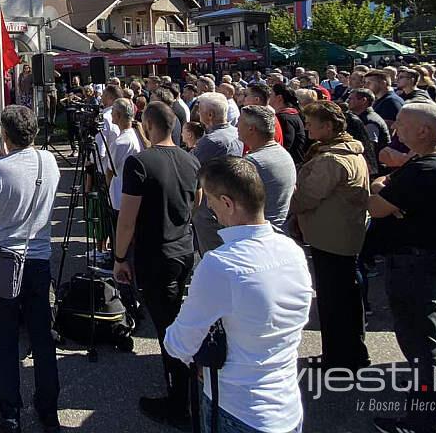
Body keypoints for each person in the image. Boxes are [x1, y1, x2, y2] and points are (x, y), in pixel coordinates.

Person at [163, 157, 313, 433]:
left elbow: (180, 343)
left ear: (228, 203)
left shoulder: (220, 264)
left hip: (238, 408)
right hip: (287, 405)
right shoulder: (291, 250)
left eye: (210, 199)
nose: (208, 207)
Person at [368, 103, 436, 433]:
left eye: (401, 124)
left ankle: (421, 420)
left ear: (423, 130)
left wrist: (381, 191)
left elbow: (378, 206)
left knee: (421, 348)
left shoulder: (425, 170)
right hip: (434, 260)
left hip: (417, 265)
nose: (396, 130)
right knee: (435, 339)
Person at [0, 106, 61, 433]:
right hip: (38, 259)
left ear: (5, 135)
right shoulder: (49, 161)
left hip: (4, 258)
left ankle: (10, 410)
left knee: (6, 338)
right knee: (41, 337)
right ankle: (48, 407)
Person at [113, 102, 201, 429]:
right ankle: (183, 389)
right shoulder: (191, 159)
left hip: (156, 254)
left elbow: (127, 220)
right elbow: (197, 203)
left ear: (148, 126)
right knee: (174, 318)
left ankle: (180, 402)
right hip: (183, 249)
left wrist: (120, 258)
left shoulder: (139, 163)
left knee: (169, 329)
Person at [289, 101, 371, 371]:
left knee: (335, 302)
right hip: (343, 234)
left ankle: (339, 359)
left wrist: (292, 204)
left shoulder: (331, 159)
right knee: (346, 298)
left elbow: (307, 196)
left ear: (327, 126)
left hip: (333, 237)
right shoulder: (349, 151)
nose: (307, 127)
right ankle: (348, 354)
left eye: (311, 123)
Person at [191, 92, 243, 252]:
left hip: (210, 209)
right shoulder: (235, 132)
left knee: (212, 253)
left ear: (210, 115)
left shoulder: (211, 141)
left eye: (200, 110)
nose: (198, 113)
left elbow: (191, 167)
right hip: (229, 202)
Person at [238, 105, 296, 229]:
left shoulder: (252, 162)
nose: (236, 127)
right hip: (278, 230)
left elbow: (239, 204)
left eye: (239, 122)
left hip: (258, 233)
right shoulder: (282, 153)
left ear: (251, 129)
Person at [107, 98, 146, 218]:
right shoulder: (137, 134)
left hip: (120, 198)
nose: (111, 113)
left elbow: (110, 171)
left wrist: (107, 190)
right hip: (133, 196)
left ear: (118, 115)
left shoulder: (120, 142)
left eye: (112, 111)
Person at [348, 89, 391, 171]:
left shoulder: (370, 122)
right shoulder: (359, 118)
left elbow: (370, 149)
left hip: (373, 168)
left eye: (351, 99)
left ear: (363, 100)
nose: (347, 101)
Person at [269, 84, 308, 165]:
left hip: (291, 163)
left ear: (279, 98)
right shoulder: (292, 114)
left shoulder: (284, 118)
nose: (269, 97)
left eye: (271, 94)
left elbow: (285, 146)